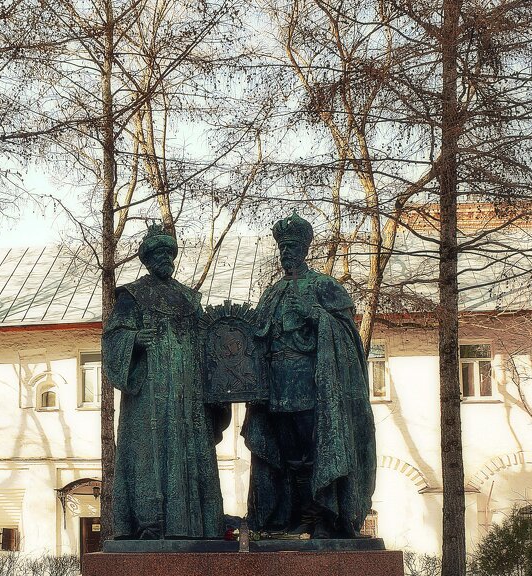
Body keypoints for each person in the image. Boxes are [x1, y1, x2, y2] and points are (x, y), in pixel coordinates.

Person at [242, 212, 376, 537]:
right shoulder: (271, 293)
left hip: (311, 386)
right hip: (276, 387)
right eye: (283, 247)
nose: (287, 252)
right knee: (287, 455)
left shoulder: (325, 286)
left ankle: (323, 515)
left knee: (313, 450)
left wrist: (315, 315)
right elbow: (256, 337)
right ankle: (295, 514)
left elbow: (346, 337)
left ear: (304, 249)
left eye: (292, 246)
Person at [102, 224, 225, 539]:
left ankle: (197, 524)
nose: (164, 259)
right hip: (150, 394)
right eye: (157, 254)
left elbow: (207, 338)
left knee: (190, 453)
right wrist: (135, 338)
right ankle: (149, 523)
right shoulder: (133, 295)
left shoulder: (188, 297)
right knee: (148, 454)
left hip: (189, 393)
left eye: (168, 254)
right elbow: (113, 336)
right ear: (147, 260)